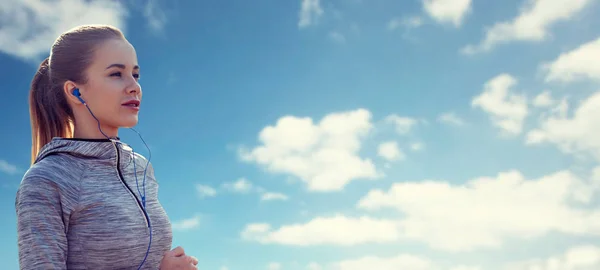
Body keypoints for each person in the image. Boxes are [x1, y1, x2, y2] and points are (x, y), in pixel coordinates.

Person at [14, 24, 198, 270]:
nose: (134, 86)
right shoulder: (47, 180)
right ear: (76, 91)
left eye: (136, 74)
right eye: (116, 74)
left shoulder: (140, 167)